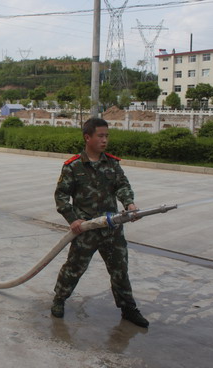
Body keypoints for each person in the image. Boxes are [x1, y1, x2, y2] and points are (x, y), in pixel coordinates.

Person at [51, 117, 149, 328]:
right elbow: (61, 197)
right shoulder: (73, 166)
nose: (105, 140)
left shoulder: (112, 163)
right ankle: (59, 299)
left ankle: (128, 309)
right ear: (88, 137)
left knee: (119, 269)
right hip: (86, 229)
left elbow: (122, 186)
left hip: (111, 227)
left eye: (107, 136)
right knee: (75, 268)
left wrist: (130, 204)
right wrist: (73, 219)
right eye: (100, 136)